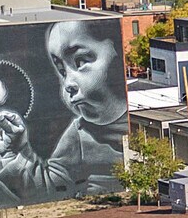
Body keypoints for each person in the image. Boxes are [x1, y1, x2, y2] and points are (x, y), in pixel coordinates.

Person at [43, 20, 126, 197]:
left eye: (80, 61)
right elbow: (51, 183)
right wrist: (12, 155)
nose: (68, 84)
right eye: (62, 72)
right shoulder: (79, 133)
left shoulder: (148, 119)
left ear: (119, 53)